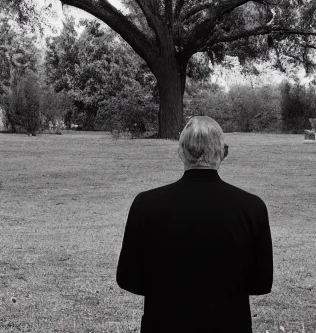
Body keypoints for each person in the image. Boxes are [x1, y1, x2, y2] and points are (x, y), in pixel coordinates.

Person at [116, 116, 273, 332]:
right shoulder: (252, 207)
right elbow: (261, 283)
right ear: (224, 152)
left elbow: (128, 279)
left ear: (180, 152)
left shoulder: (146, 204)